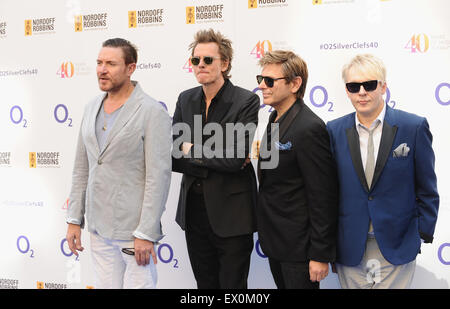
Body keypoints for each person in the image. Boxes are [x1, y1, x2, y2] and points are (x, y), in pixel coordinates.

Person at [65, 38, 172, 289]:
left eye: (111, 64)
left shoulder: (151, 111)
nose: (102, 69)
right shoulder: (91, 107)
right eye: (100, 63)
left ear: (130, 68)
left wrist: (145, 232)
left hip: (133, 231)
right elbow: (82, 168)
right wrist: (74, 219)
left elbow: (158, 177)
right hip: (98, 227)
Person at [326, 54, 439, 288]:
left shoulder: (413, 127)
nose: (362, 92)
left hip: (397, 244)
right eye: (353, 86)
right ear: (346, 90)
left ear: (383, 86)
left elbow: (427, 187)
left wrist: (419, 234)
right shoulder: (333, 131)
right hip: (350, 245)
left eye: (369, 85)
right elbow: (328, 192)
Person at [172, 29, 260, 289]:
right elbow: (175, 154)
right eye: (196, 60)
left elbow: (234, 159)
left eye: (208, 60)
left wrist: (192, 150)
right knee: (204, 287)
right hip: (194, 213)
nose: (201, 65)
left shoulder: (246, 101)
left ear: (225, 64)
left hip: (233, 215)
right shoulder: (185, 99)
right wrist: (215, 154)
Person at [256, 50, 338, 289]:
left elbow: (323, 196)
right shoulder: (274, 119)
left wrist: (320, 254)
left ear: (295, 84)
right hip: (276, 243)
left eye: (270, 81)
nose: (262, 86)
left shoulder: (309, 127)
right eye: (260, 79)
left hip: (299, 249)